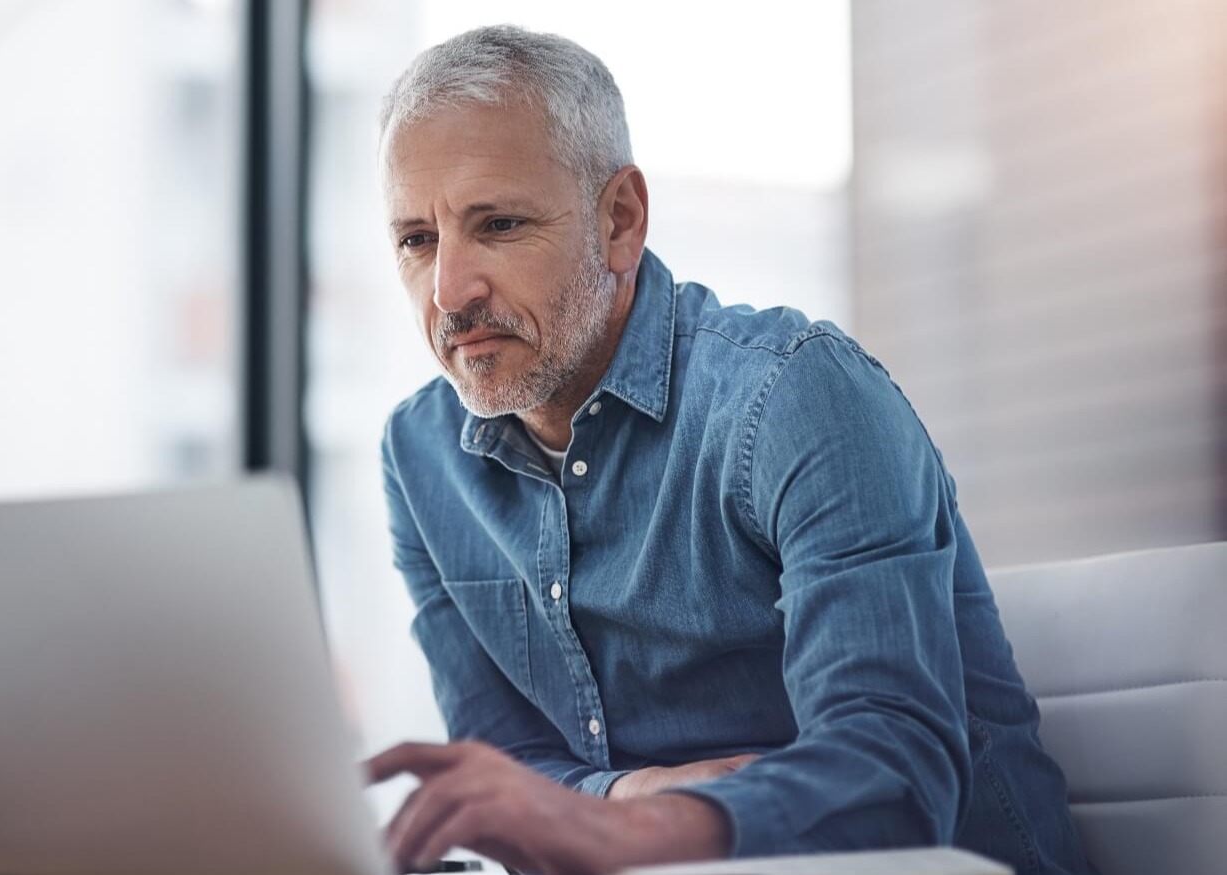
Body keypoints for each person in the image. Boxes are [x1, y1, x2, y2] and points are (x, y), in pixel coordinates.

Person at [366, 24, 1096, 875]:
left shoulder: (796, 395)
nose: (450, 290)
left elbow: (894, 773)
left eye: (498, 223)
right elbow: (505, 763)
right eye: (417, 239)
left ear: (620, 220)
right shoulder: (419, 456)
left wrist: (613, 830)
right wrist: (626, 798)